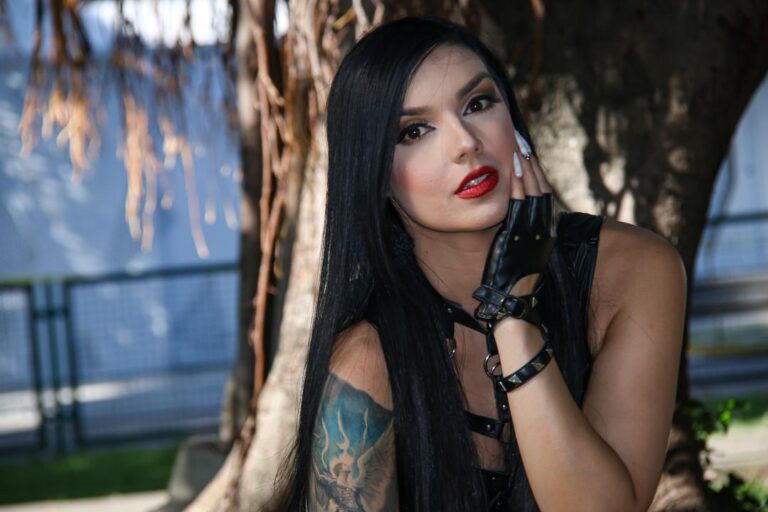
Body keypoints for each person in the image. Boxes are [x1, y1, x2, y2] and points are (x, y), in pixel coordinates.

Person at [268, 16, 686, 512]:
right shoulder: (366, 356)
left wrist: (513, 320)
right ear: (376, 177)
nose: (465, 142)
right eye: (414, 131)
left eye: (478, 103)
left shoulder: (633, 270)